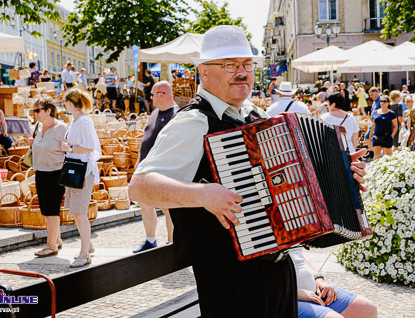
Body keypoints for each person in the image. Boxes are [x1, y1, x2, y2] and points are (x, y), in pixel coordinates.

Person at [129, 25, 368, 318]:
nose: (241, 72)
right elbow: (139, 187)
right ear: (204, 71)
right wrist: (204, 194)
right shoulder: (193, 122)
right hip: (230, 282)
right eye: (229, 65)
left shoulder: (258, 116)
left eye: (247, 64)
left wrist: (343, 176)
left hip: (278, 271)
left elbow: (294, 183)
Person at [133, 81, 177, 253]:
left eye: (152, 94)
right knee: (145, 204)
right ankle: (150, 240)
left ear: (161, 94)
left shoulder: (176, 115)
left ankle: (172, 244)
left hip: (163, 170)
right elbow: (146, 138)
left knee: (168, 208)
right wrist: (138, 160)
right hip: (145, 168)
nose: (150, 98)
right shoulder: (154, 113)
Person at [61, 88, 102, 267]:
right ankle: (88, 245)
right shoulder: (76, 120)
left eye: (65, 103)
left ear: (70, 103)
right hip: (75, 169)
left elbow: (90, 147)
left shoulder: (83, 121)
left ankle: (84, 253)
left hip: (82, 170)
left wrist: (68, 148)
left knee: (79, 212)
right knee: (76, 212)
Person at [291, 247, 377, 318]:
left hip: (311, 289)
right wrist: (296, 293)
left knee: (367, 309)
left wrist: (318, 278)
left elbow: (296, 255)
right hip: (283, 298)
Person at [30, 95, 68, 257]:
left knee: (52, 209)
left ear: (49, 110)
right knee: (45, 208)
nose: (35, 113)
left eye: (38, 110)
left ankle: (51, 245)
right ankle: (57, 239)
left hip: (57, 172)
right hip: (41, 172)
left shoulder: (62, 128)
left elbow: (70, 150)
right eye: (34, 110)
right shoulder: (38, 127)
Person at [368, 95, 398, 160]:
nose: (382, 103)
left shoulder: (391, 113)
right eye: (381, 101)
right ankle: (375, 169)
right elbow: (373, 125)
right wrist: (370, 136)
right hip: (376, 136)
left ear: (388, 103)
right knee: (376, 156)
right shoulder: (375, 112)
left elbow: (395, 126)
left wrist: (392, 135)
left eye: (384, 101)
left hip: (387, 137)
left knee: (388, 156)